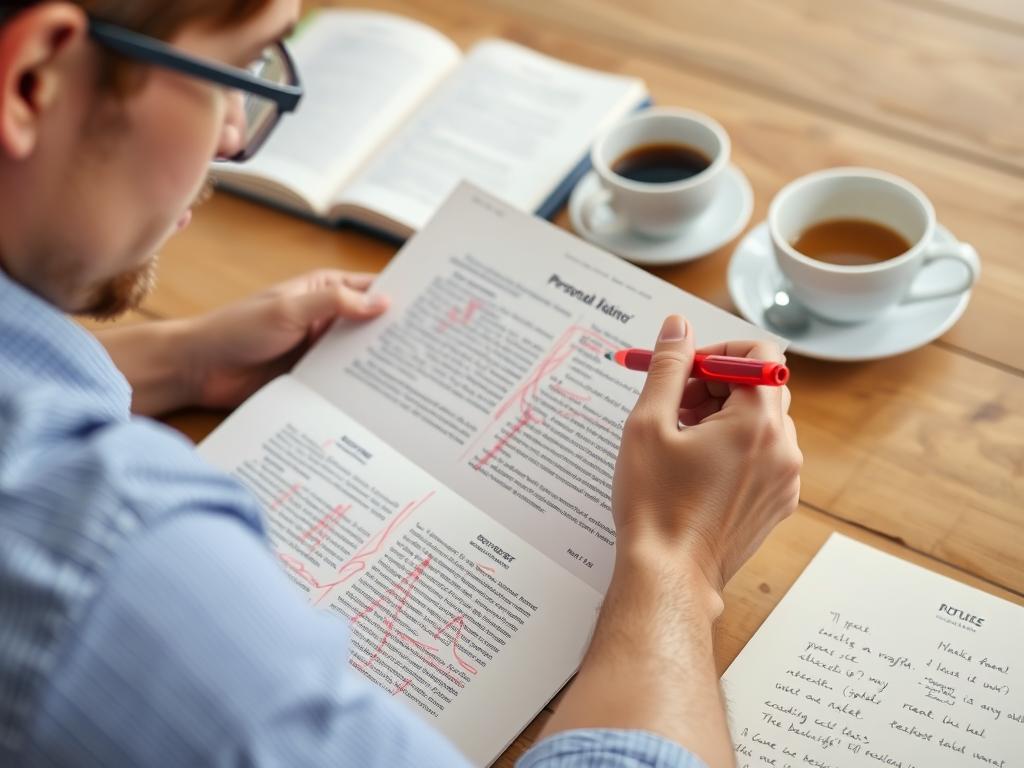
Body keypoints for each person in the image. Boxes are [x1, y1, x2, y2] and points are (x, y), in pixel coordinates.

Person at [0, 0, 802, 766]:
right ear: (34, 79)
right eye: (235, 68)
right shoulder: (108, 557)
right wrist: (678, 562)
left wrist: (175, 360)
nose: (236, 137)